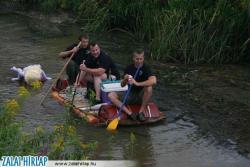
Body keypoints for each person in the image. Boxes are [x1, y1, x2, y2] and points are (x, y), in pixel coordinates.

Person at [108, 49, 157, 121]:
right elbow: (122, 85)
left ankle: (141, 112)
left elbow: (154, 81)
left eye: (141, 59)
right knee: (110, 95)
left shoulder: (146, 68)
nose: (139, 61)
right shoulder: (129, 68)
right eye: (137, 59)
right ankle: (129, 113)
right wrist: (125, 79)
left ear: (143, 58)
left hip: (141, 95)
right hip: (130, 93)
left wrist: (137, 83)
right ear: (133, 58)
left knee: (149, 88)